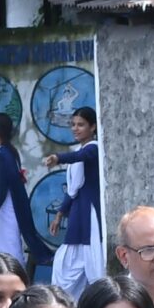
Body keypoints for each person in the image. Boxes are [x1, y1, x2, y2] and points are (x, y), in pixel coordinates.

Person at [0, 110, 49, 271]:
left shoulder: (3, 155)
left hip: (3, 209)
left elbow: (1, 191)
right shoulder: (2, 152)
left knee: (6, 248)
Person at [44, 107, 103, 298]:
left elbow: (80, 158)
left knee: (92, 262)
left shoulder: (93, 148)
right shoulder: (80, 150)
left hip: (89, 212)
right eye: (73, 125)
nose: (75, 129)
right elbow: (72, 190)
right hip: (79, 211)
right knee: (67, 265)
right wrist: (59, 215)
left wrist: (59, 158)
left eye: (81, 125)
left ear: (93, 127)